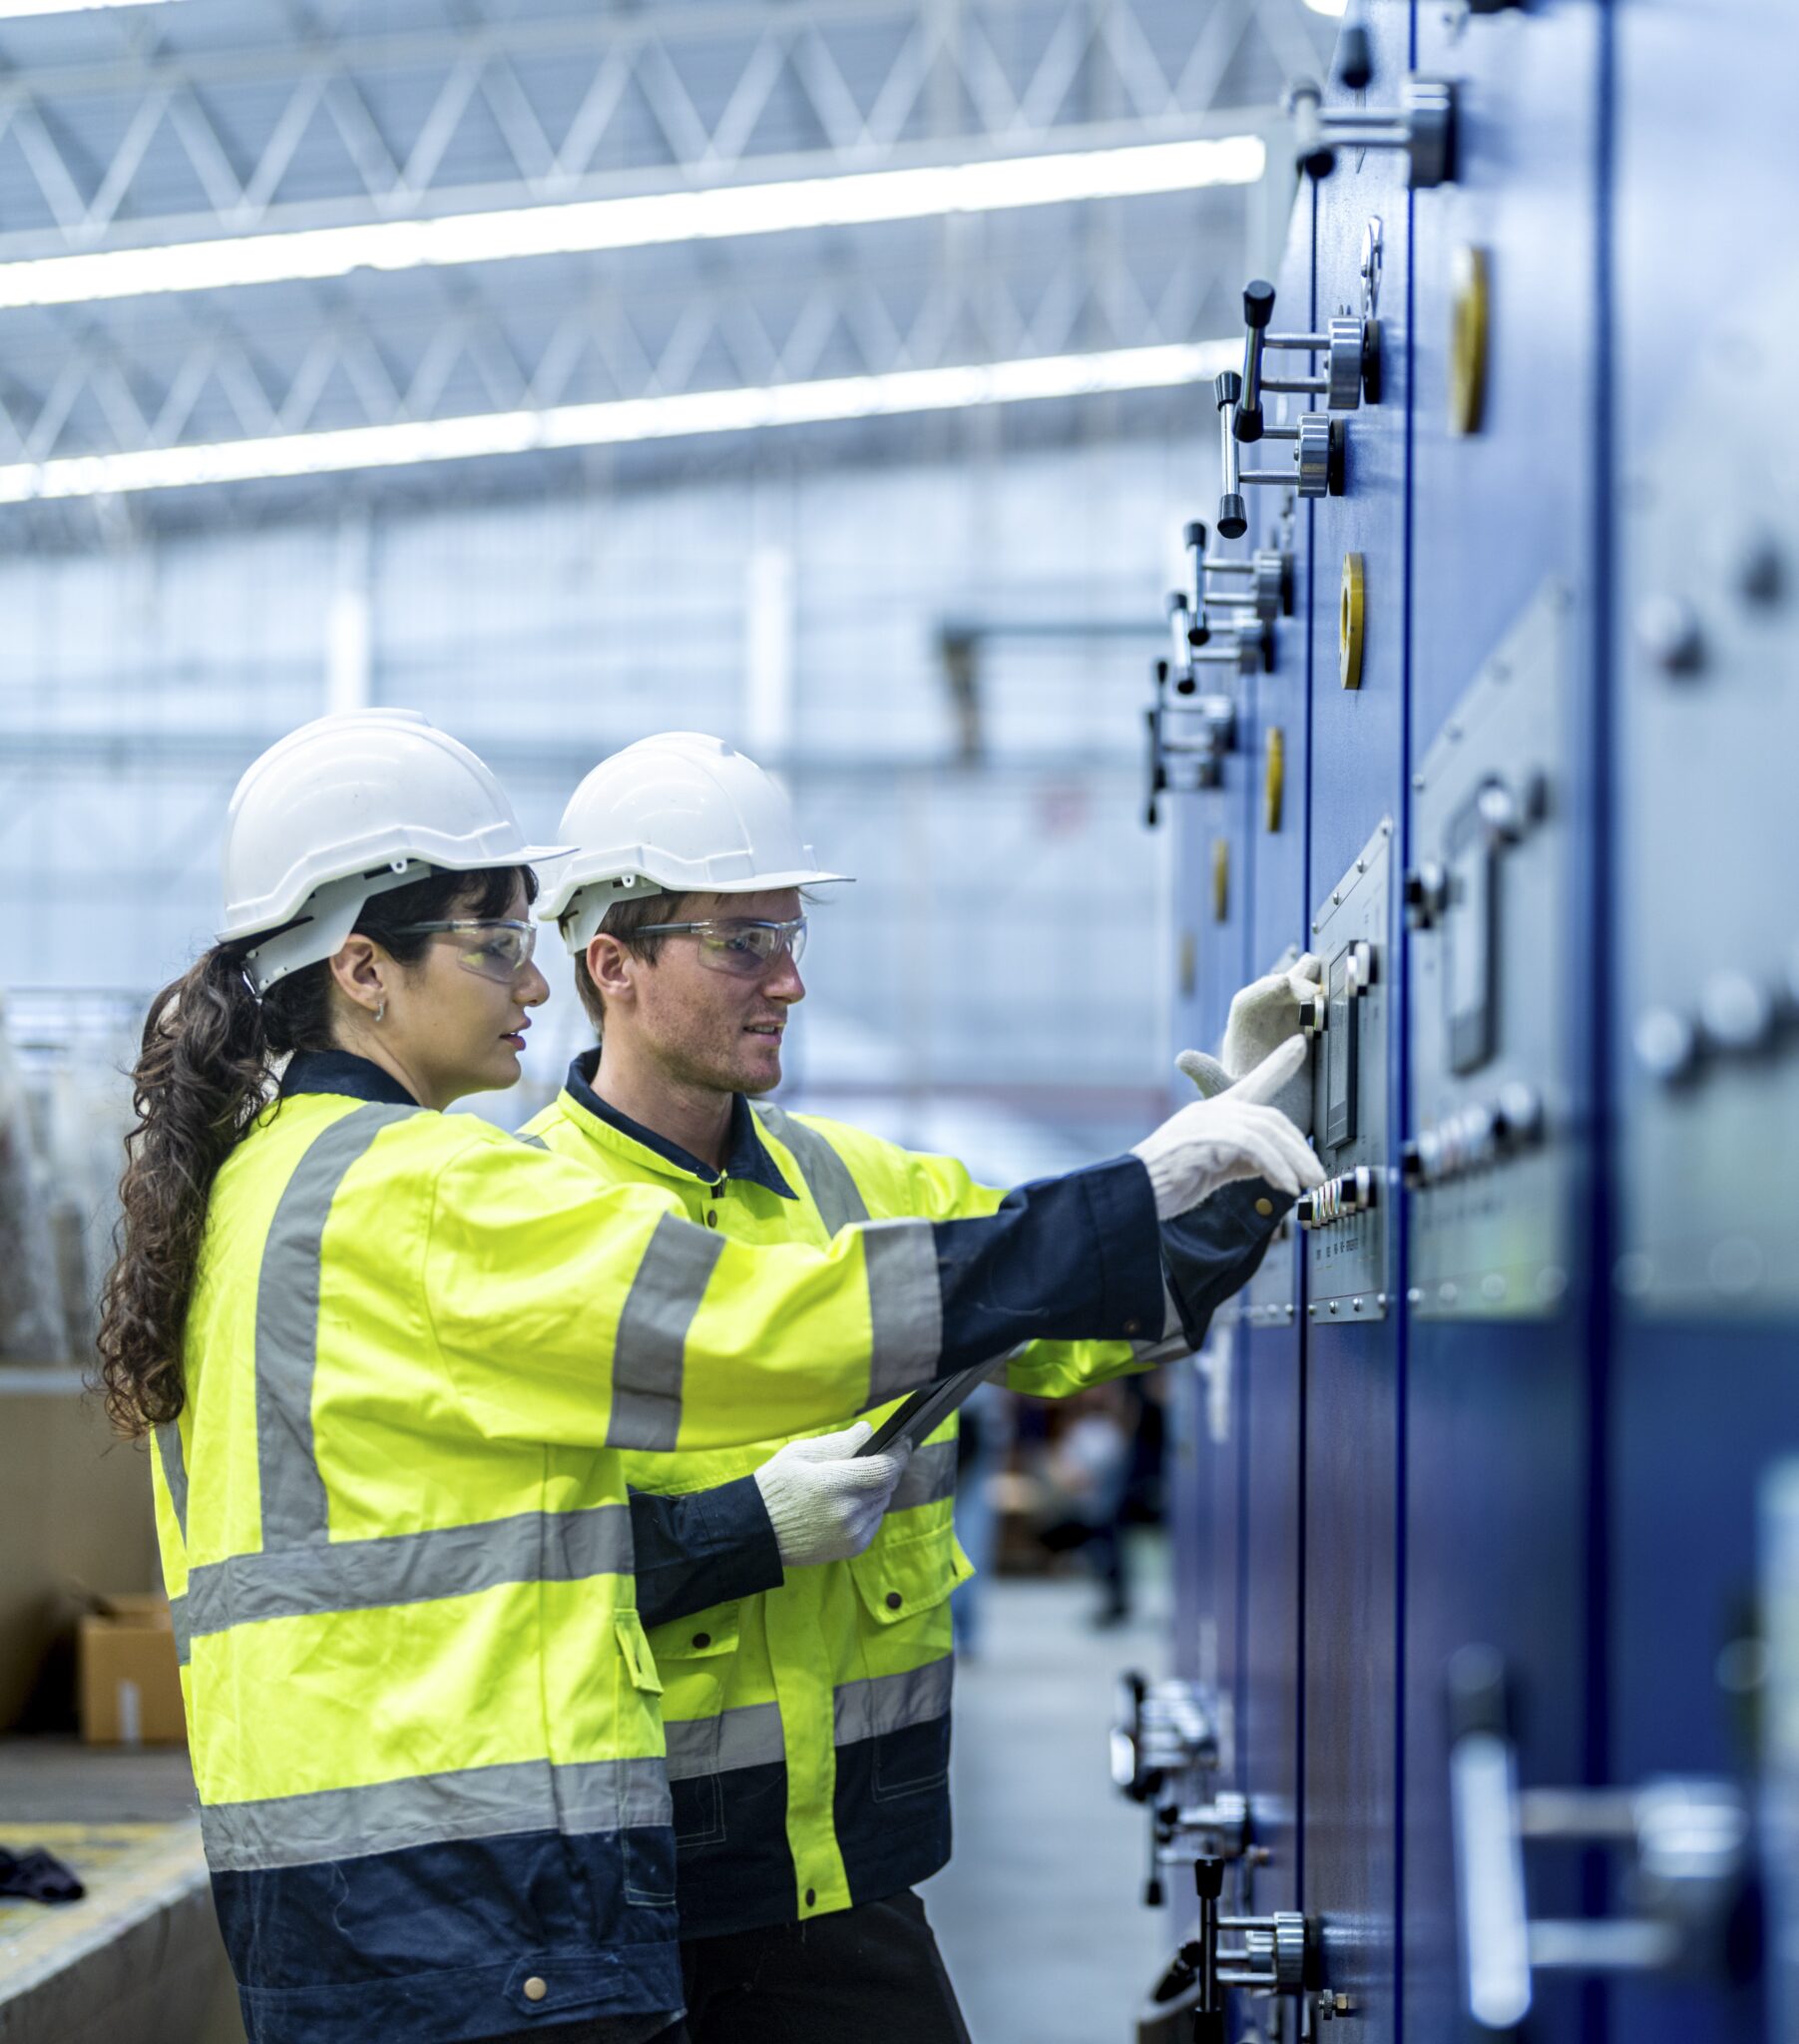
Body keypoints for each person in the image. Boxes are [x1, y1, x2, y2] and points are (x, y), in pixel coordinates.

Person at [99, 710, 1321, 2044]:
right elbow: (768, 1329)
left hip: (401, 1898)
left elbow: (433, 1548)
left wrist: (1246, 1161)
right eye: (498, 944)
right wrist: (1144, 1180)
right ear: (363, 970)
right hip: (492, 1891)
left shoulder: (264, 1186)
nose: (528, 983)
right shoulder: (437, 1193)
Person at [524, 731, 1324, 2044]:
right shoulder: (521, 1219)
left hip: (842, 1874)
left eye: (791, 936)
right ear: (611, 964)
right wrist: (737, 1533)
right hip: (613, 1881)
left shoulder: (864, 1187)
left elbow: (1098, 1326)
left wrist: (1230, 1155)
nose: (786, 980)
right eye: (740, 943)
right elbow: (496, 1571)